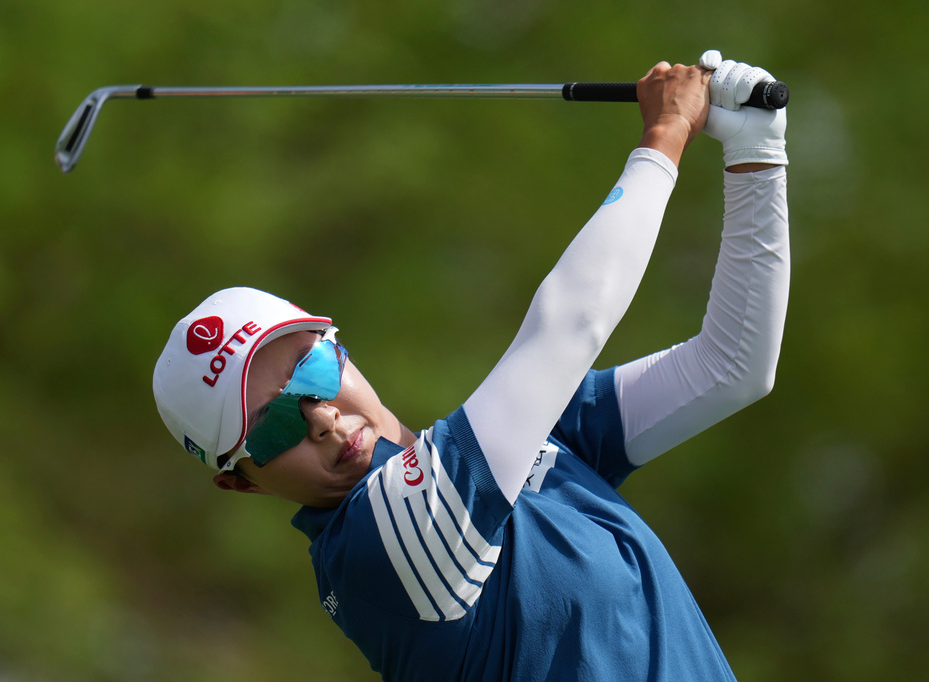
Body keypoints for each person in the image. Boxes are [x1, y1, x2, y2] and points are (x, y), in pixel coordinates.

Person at [152, 50, 789, 681]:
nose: (320, 418)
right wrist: (664, 136)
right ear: (244, 482)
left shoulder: (514, 446)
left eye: (313, 370)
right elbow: (570, 321)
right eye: (271, 426)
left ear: (341, 350)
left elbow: (731, 366)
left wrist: (756, 154)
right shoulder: (378, 546)